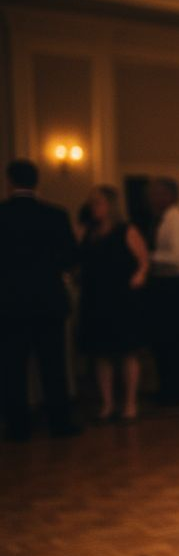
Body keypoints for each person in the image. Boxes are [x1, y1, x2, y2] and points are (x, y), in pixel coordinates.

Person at [0, 159, 80, 440]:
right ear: (37, 182)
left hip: (10, 302)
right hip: (48, 299)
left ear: (9, 181)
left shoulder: (3, 214)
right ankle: (60, 422)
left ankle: (18, 427)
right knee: (53, 365)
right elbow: (72, 256)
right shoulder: (55, 215)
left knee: (13, 367)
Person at [78, 185, 150, 422]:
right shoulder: (88, 231)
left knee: (127, 351)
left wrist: (139, 276)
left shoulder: (126, 230)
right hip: (95, 297)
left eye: (98, 202)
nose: (94, 207)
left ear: (110, 205)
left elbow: (143, 260)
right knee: (101, 353)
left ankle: (129, 403)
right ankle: (107, 404)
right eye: (92, 203)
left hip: (121, 297)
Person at [146, 177, 179, 405]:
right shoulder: (165, 218)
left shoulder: (178, 220)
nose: (151, 198)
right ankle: (167, 389)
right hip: (166, 285)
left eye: (156, 193)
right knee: (163, 342)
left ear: (169, 195)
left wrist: (147, 257)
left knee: (172, 342)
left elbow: (177, 258)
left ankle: (175, 391)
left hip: (175, 286)